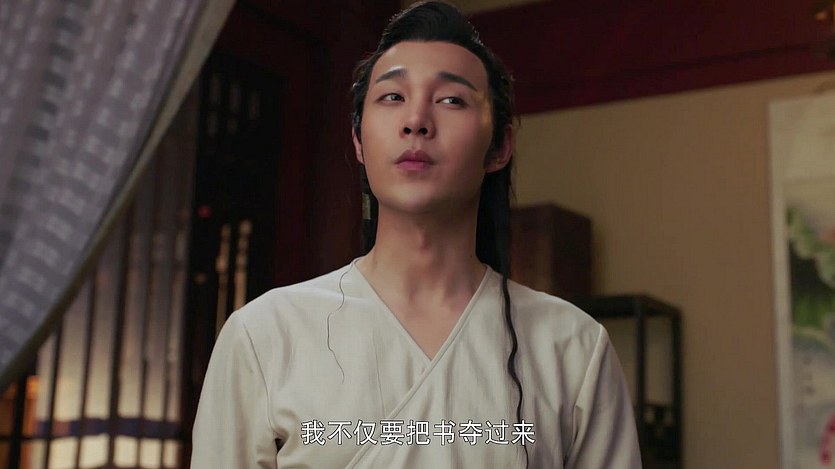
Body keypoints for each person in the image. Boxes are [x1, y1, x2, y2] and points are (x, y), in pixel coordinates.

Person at [190, 1, 642, 468]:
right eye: (392, 97)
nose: (416, 121)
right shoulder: (265, 334)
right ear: (358, 140)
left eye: (452, 100)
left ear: (500, 146)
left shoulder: (572, 346)